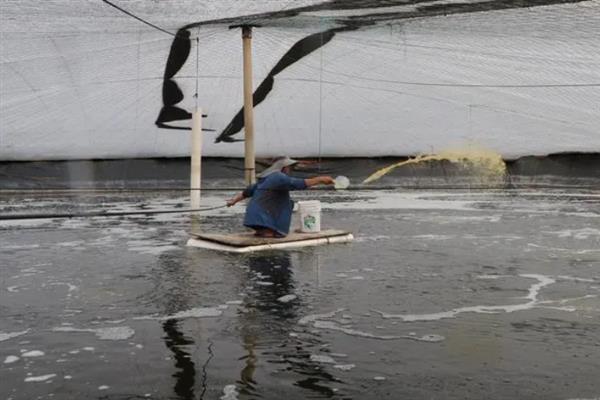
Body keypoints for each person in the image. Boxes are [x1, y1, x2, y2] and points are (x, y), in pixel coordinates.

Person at [226, 157, 334, 237]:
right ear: (285, 168)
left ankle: (261, 231)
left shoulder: (264, 179)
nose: (290, 171)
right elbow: (298, 183)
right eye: (290, 168)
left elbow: (246, 193)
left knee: (264, 232)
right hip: (265, 217)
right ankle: (267, 231)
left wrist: (233, 201)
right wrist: (320, 180)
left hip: (253, 218)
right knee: (270, 234)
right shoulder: (279, 177)